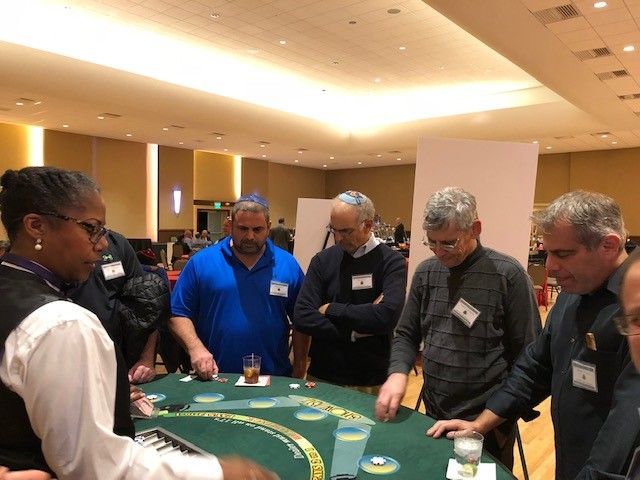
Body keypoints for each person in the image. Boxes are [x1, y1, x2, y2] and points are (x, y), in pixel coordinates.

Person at [0, 166, 276, 479]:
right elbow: (97, 466)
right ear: (36, 226)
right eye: (91, 228)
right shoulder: (63, 324)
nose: (103, 243)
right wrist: (219, 473)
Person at [426, 190, 633, 480]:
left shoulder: (633, 303)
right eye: (548, 252)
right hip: (573, 458)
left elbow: (628, 421)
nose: (549, 266)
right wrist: (482, 423)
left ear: (609, 245)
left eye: (562, 254)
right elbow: (536, 365)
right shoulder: (574, 291)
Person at [374, 187, 541, 469]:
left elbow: (529, 357)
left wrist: (494, 421)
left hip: (487, 420)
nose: (439, 252)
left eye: (449, 243)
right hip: (435, 411)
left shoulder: (508, 274)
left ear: (475, 229)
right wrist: (398, 373)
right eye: (432, 243)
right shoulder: (426, 272)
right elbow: (406, 333)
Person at [170, 193, 309, 379]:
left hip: (273, 376)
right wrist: (195, 348)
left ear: (268, 227)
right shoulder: (201, 263)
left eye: (257, 229)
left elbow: (302, 318)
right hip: (215, 375)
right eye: (242, 229)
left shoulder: (288, 264)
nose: (250, 236)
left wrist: (300, 364)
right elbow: (178, 313)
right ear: (230, 226)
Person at [293, 190, 407, 393]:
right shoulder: (322, 261)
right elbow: (302, 316)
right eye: (333, 229)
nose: (337, 238)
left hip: (371, 379)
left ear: (368, 225)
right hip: (323, 375)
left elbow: (386, 316)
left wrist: (331, 309)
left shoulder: (391, 262)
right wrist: (353, 332)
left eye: (346, 231)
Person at [69, 230, 159, 384]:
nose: (103, 244)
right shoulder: (56, 253)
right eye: (91, 225)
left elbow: (146, 302)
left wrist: (146, 359)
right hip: (72, 365)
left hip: (120, 361)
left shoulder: (117, 243)